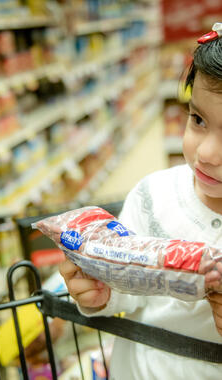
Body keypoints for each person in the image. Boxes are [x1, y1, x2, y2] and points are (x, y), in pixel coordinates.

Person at [59, 22, 222, 379]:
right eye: (198, 120)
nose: (206, 154)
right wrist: (100, 292)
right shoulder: (153, 196)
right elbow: (130, 289)